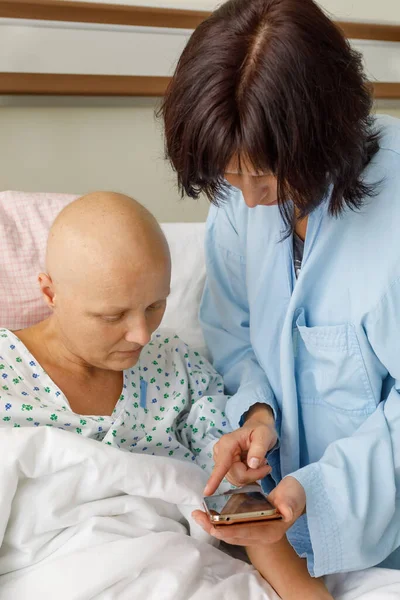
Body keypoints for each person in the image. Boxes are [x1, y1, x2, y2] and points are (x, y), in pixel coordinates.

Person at [161, 0, 400, 598]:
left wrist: (318, 492)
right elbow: (234, 336)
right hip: (281, 528)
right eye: (228, 178)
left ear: (327, 131)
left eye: (264, 176)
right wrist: (257, 414)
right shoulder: (238, 204)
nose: (248, 202)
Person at [0, 192, 231, 471]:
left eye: (154, 306)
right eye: (113, 316)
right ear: (50, 293)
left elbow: (225, 471)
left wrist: (236, 466)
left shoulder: (176, 366)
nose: (142, 336)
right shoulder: (7, 372)